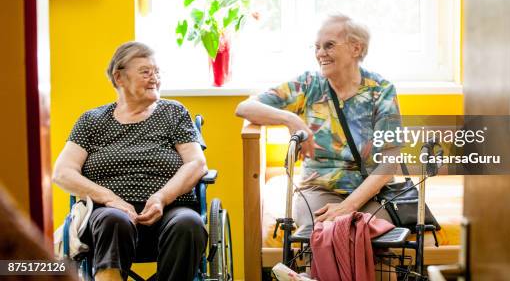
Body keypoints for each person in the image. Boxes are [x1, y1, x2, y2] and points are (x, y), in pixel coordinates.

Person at [53, 42, 207, 281]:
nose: (154, 78)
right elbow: (62, 172)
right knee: (114, 220)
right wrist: (110, 198)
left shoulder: (173, 112)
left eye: (157, 72)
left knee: (189, 223)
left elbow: (196, 163)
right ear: (119, 77)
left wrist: (161, 198)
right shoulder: (92, 120)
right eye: (146, 72)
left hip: (169, 211)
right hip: (108, 214)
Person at [235, 14, 401, 227]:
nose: (320, 53)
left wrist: (348, 206)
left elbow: (389, 162)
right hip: (319, 188)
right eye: (317, 47)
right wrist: (290, 118)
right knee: (323, 231)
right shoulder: (309, 84)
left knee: (372, 233)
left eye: (329, 46)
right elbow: (245, 108)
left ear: (356, 49)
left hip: (370, 190)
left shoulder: (381, 91)